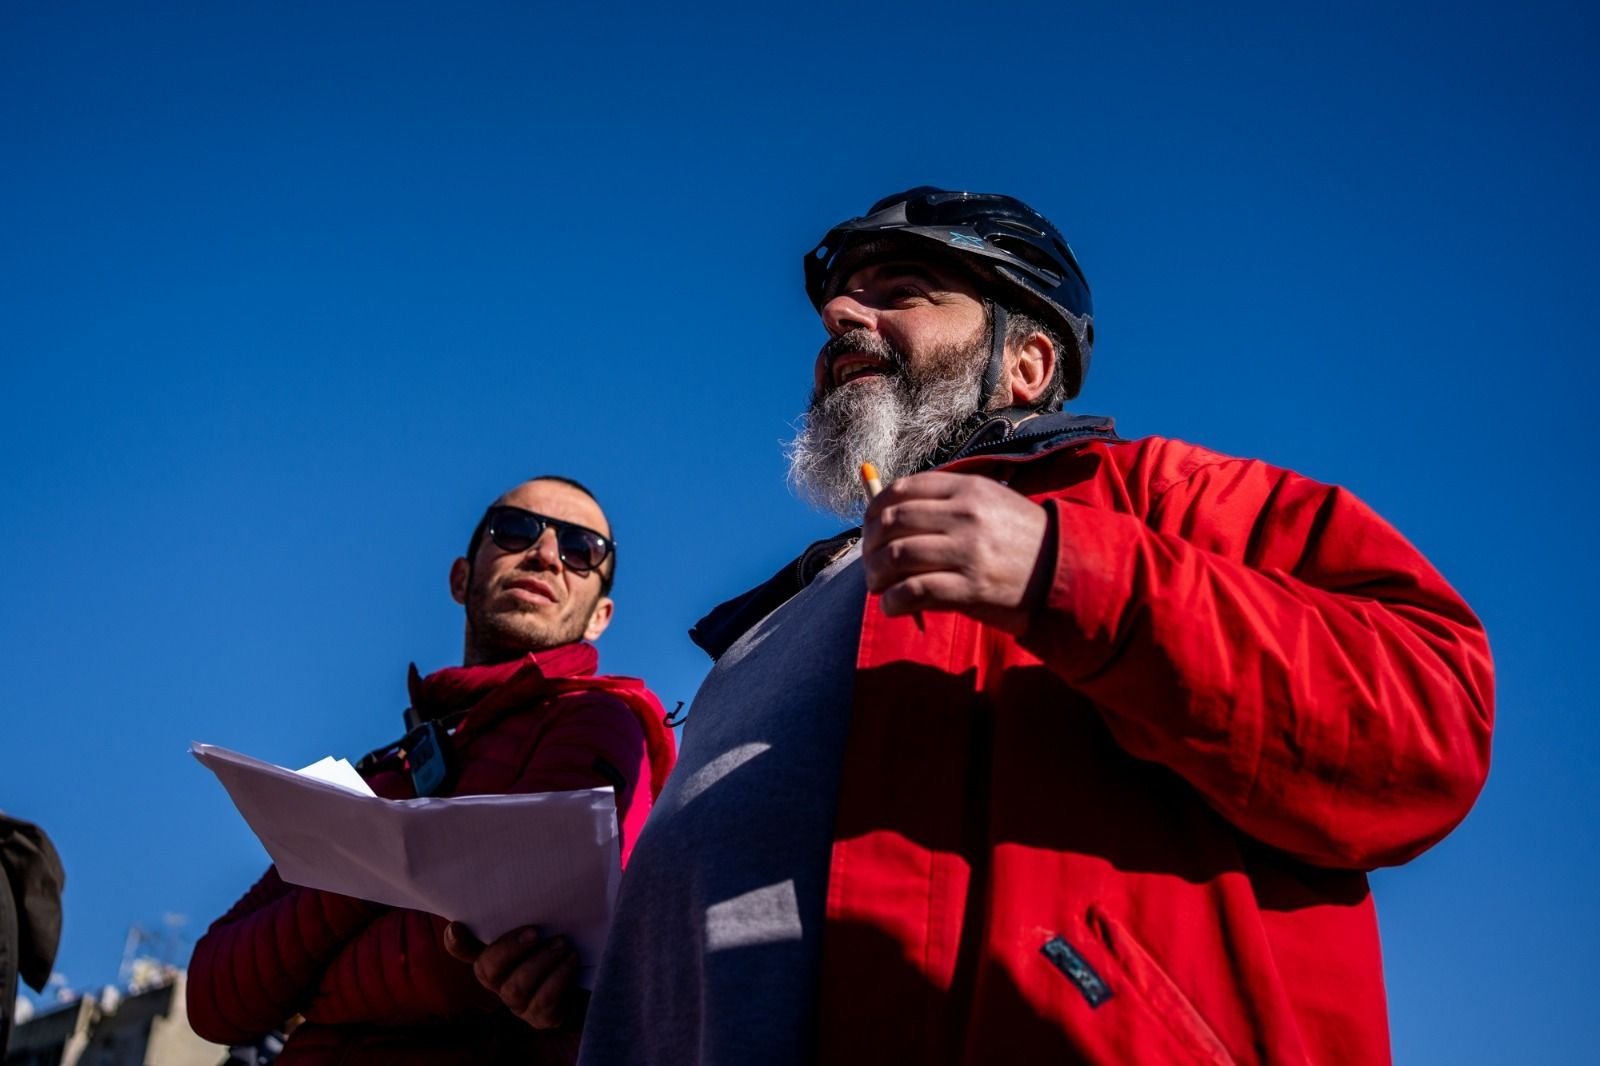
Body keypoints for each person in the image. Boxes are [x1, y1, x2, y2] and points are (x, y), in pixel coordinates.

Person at [572, 188, 1494, 1064]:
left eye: (901, 294)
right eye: (840, 305)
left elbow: (1431, 717)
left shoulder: (1159, 499)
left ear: (1027, 365)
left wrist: (1073, 573)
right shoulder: (768, 621)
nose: (844, 318)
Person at [188, 476, 676, 1066]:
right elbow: (212, 995)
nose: (547, 555)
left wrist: (312, 973)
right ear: (461, 579)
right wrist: (392, 859)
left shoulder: (595, 720)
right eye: (516, 529)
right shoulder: (386, 768)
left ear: (600, 616)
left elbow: (456, 968)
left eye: (582, 551)